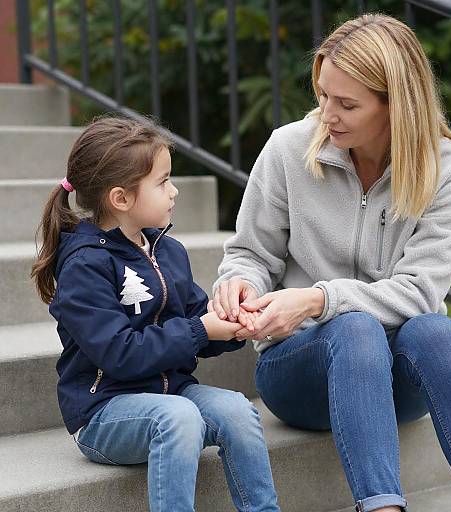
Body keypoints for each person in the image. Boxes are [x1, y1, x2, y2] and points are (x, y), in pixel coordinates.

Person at [212, 13, 451, 512]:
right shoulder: (288, 148)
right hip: (300, 371)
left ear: (397, 106)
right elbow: (248, 253)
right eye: (323, 95)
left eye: (347, 104)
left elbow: (420, 292)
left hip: (398, 379)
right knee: (354, 329)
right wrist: (238, 282)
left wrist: (317, 298)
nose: (327, 114)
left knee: (434, 331)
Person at [31, 116, 280, 512]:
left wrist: (238, 322)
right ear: (121, 199)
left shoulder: (167, 250)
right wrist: (202, 330)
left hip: (171, 392)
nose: (174, 191)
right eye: (163, 182)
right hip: (104, 412)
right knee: (178, 416)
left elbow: (199, 316)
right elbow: (120, 352)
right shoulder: (86, 264)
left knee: (237, 409)